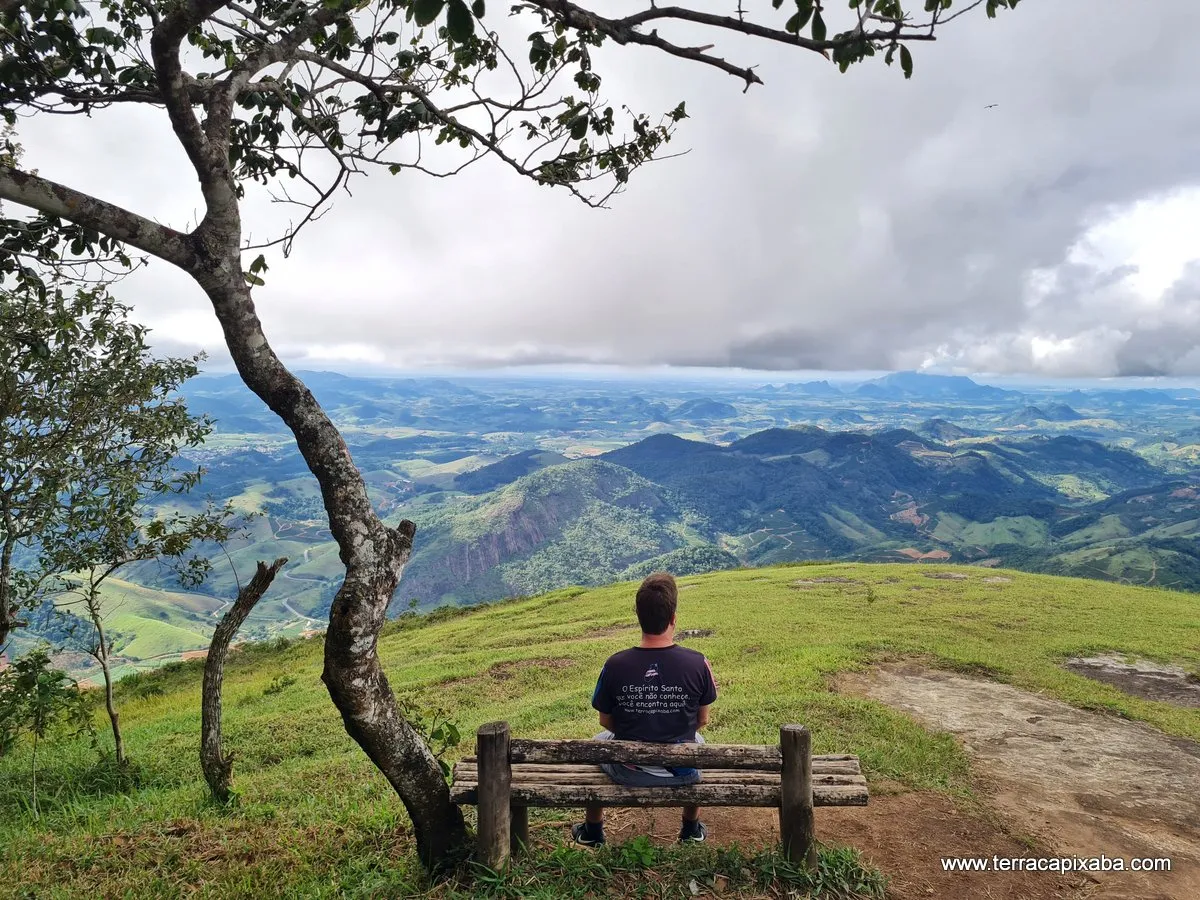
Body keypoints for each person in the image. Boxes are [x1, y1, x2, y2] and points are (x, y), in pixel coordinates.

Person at [572, 572, 718, 847]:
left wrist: (639, 734)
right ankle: (691, 829)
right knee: (697, 745)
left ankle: (593, 832)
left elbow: (605, 721)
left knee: (595, 744)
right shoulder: (698, 663)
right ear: (674, 618)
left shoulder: (615, 665)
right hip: (682, 772)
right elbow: (702, 720)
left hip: (629, 769)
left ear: (637, 615)